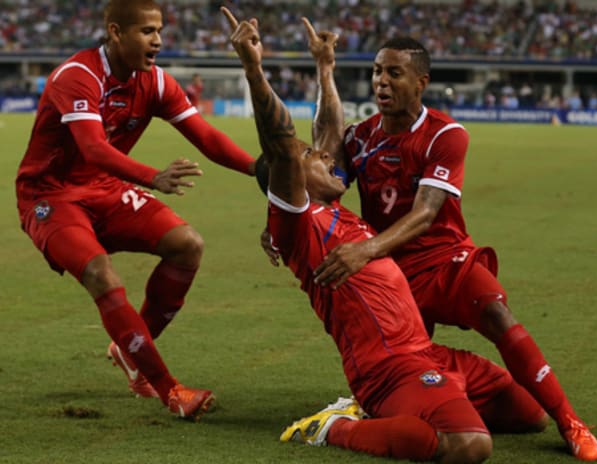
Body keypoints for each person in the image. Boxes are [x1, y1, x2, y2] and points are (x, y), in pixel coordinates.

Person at [223, 8, 549, 463]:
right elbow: (280, 145)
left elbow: (330, 131)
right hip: (388, 370)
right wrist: (254, 69)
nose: (325, 154)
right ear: (292, 180)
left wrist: (325, 69)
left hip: (429, 353)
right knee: (469, 445)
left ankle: (431, 401)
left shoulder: (342, 212)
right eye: (312, 156)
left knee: (532, 415)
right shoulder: (300, 223)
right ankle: (335, 428)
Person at [15, 0, 256, 421]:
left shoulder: (156, 82)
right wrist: (152, 176)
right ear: (115, 32)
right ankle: (171, 391)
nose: (158, 40)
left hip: (104, 188)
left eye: (159, 30)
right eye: (147, 31)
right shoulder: (79, 76)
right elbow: (92, 147)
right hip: (50, 196)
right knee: (99, 273)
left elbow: (205, 136)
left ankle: (127, 347)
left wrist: (257, 168)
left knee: (187, 245)